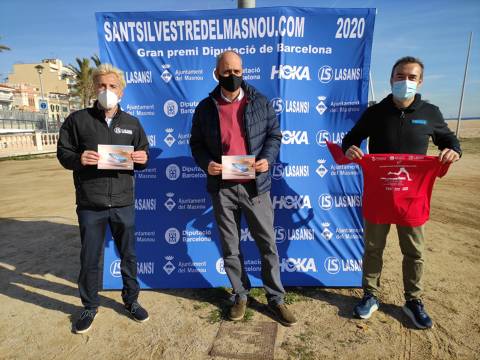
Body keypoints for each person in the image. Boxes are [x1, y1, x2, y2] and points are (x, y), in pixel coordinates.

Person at [342, 56, 461, 329]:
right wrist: (349, 148)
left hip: (412, 198)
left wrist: (453, 150)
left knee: (415, 251)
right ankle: (370, 295)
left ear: (419, 82)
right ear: (391, 79)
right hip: (379, 195)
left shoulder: (430, 113)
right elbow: (350, 138)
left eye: (411, 77)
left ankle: (413, 301)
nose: (405, 81)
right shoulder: (375, 112)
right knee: (373, 248)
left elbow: (449, 139)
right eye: (400, 76)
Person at [190, 51, 297, 326]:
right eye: (226, 72)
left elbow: (274, 135)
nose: (232, 76)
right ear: (217, 74)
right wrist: (207, 164)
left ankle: (276, 298)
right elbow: (196, 143)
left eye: (237, 71)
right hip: (222, 187)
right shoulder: (205, 107)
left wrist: (266, 160)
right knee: (230, 246)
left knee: (267, 244)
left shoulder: (260, 102)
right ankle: (240, 294)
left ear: (243, 71)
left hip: (255, 186)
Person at [57, 64, 150, 334]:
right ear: (94, 88)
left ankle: (131, 301)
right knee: (90, 258)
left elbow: (142, 154)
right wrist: (78, 159)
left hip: (123, 202)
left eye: (112, 86)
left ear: (121, 90)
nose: (106, 91)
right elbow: (63, 153)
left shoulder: (132, 123)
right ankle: (89, 306)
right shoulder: (77, 120)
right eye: (101, 86)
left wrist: (143, 159)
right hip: (90, 204)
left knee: (128, 255)